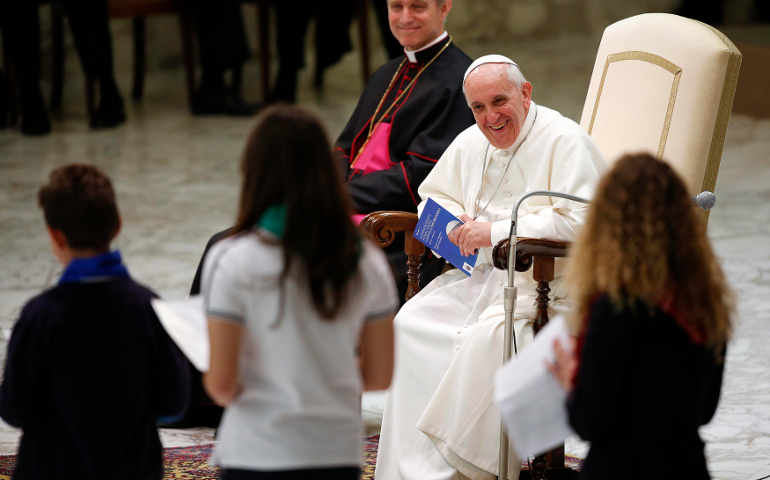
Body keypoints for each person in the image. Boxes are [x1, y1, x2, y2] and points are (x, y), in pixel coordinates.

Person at [375, 55, 606, 480]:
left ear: (526, 92)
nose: (490, 117)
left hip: (546, 287)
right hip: (478, 279)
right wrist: (455, 224)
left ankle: (457, 471)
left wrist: (496, 230)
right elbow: (432, 199)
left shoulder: (564, 140)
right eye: (478, 108)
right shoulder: (469, 142)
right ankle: (405, 471)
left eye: (499, 101)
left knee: (486, 338)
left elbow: (585, 221)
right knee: (411, 322)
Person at [200, 105, 397, 479]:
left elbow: (221, 386)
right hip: (333, 450)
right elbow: (379, 376)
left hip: (255, 451)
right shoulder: (367, 262)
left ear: (253, 173)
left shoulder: (231, 259)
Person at [547, 153, 733, 480]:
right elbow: (704, 412)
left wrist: (567, 378)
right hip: (687, 468)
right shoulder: (706, 301)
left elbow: (589, 423)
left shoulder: (614, 308)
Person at [0, 164, 189, 479]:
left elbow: (13, 409)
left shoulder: (38, 316)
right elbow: (174, 402)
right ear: (117, 226)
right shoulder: (149, 308)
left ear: (55, 236)